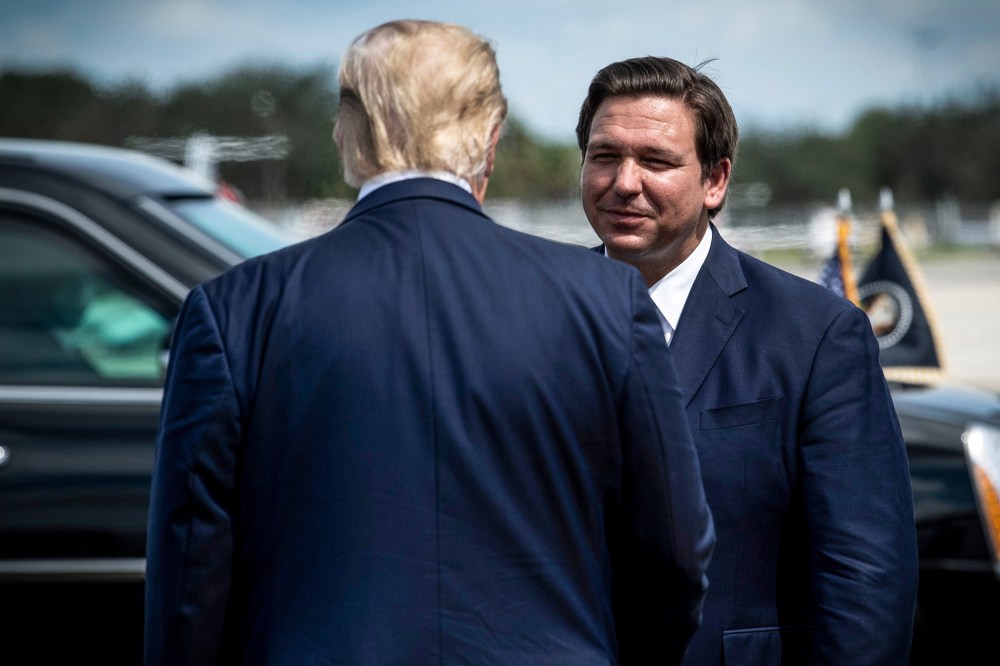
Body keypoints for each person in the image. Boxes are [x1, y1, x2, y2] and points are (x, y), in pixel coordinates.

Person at [145, 21, 715, 664]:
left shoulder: (233, 312)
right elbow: (674, 552)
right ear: (490, 140)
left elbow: (191, 571)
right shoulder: (604, 301)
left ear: (348, 135)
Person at [576, 56, 919, 665]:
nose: (624, 182)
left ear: (715, 181)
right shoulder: (529, 318)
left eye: (655, 161)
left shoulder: (816, 335)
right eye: (605, 156)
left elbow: (865, 578)